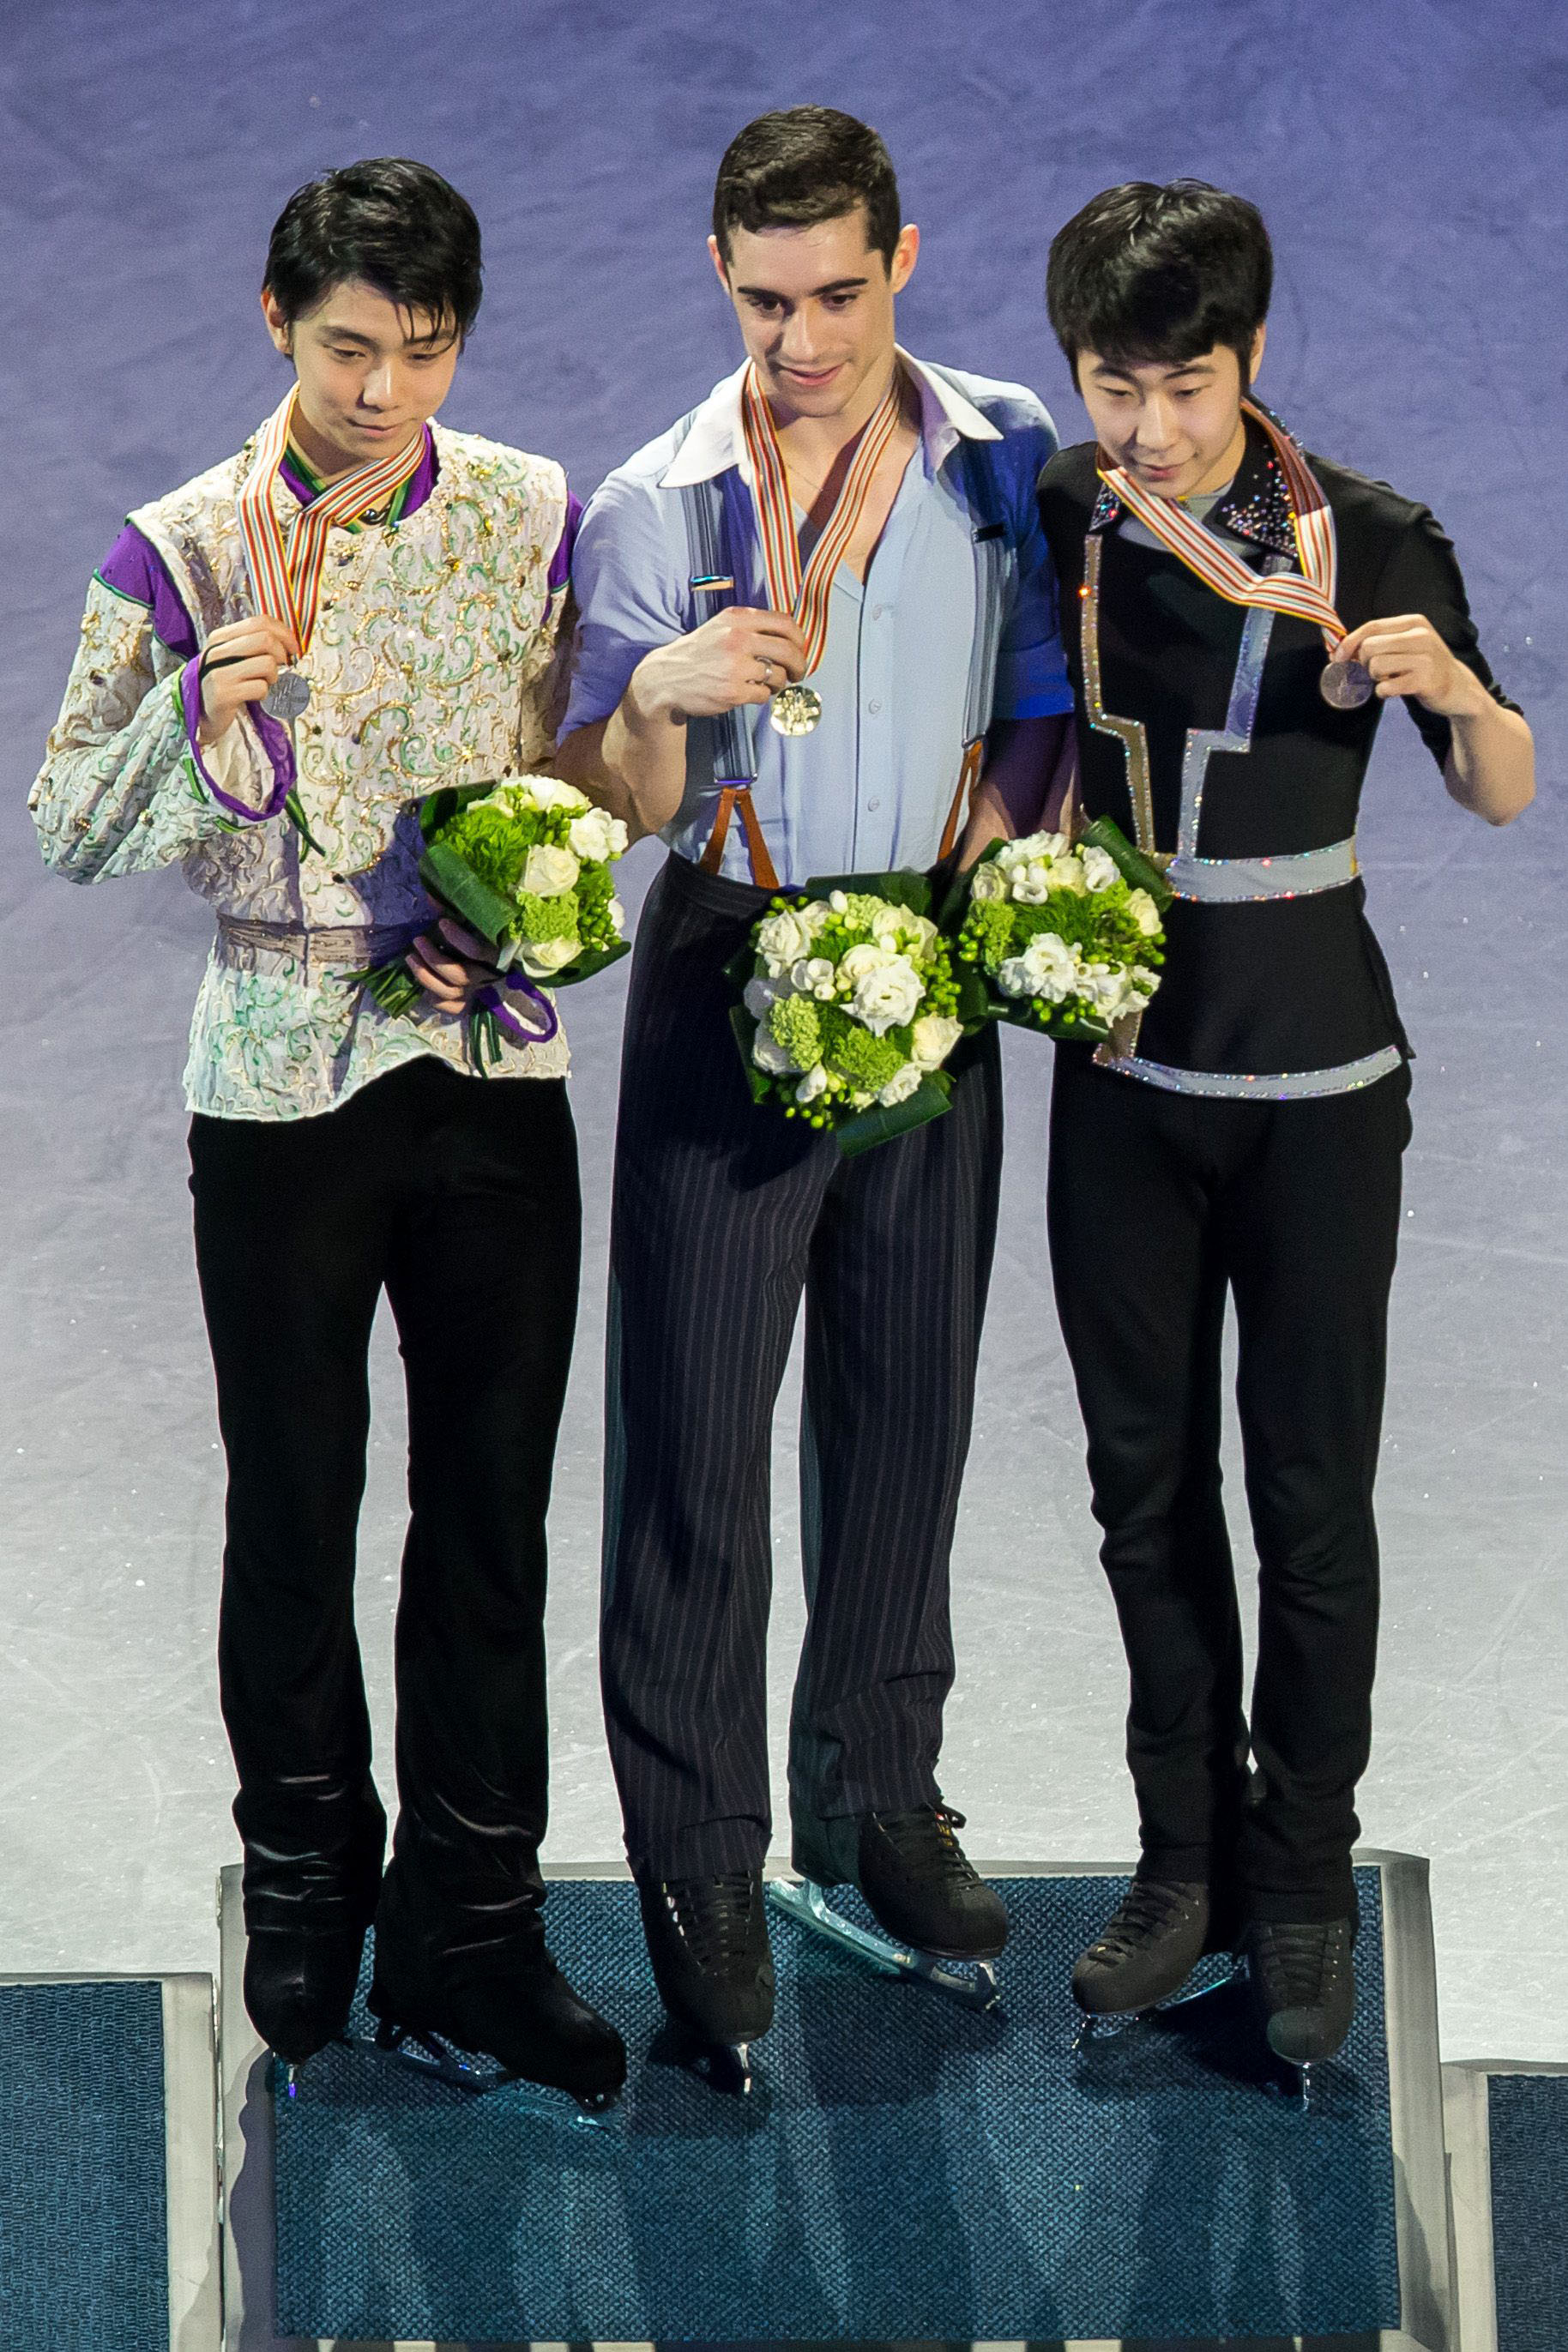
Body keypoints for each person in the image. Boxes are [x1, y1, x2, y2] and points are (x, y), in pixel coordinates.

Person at [29, 157, 625, 2107]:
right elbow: (69, 829)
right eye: (351, 347)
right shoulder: (183, 545)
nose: (386, 390)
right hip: (278, 1081)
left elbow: (559, 767)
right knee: (293, 1503)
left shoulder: (526, 511)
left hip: (483, 1077)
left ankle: (474, 1927)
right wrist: (207, 702)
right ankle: (308, 1885)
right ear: (275, 321)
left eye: (424, 349)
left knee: (491, 1517)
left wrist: (530, 892)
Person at [557, 105, 1074, 2060]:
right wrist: (652, 710)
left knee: (907, 1403)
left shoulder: (997, 448)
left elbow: (1034, 710)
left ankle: (874, 1793)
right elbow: (622, 809)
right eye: (764, 300)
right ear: (717, 274)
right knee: (693, 1444)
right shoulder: (655, 501)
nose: (800, 340)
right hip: (726, 964)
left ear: (902, 264)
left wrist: (1010, 895)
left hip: (926, 951)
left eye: (837, 294)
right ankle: (698, 1847)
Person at [1028, 180, 1532, 2069]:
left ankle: (1300, 1876)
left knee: (1306, 1502)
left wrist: (1454, 688)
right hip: (1122, 1091)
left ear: (1247, 359)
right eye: (1112, 381)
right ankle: (1186, 1865)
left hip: (1319, 1097)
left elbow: (1498, 792)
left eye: (1183, 380)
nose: (1146, 425)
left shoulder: (1373, 539)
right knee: (1137, 1496)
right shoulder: (1068, 515)